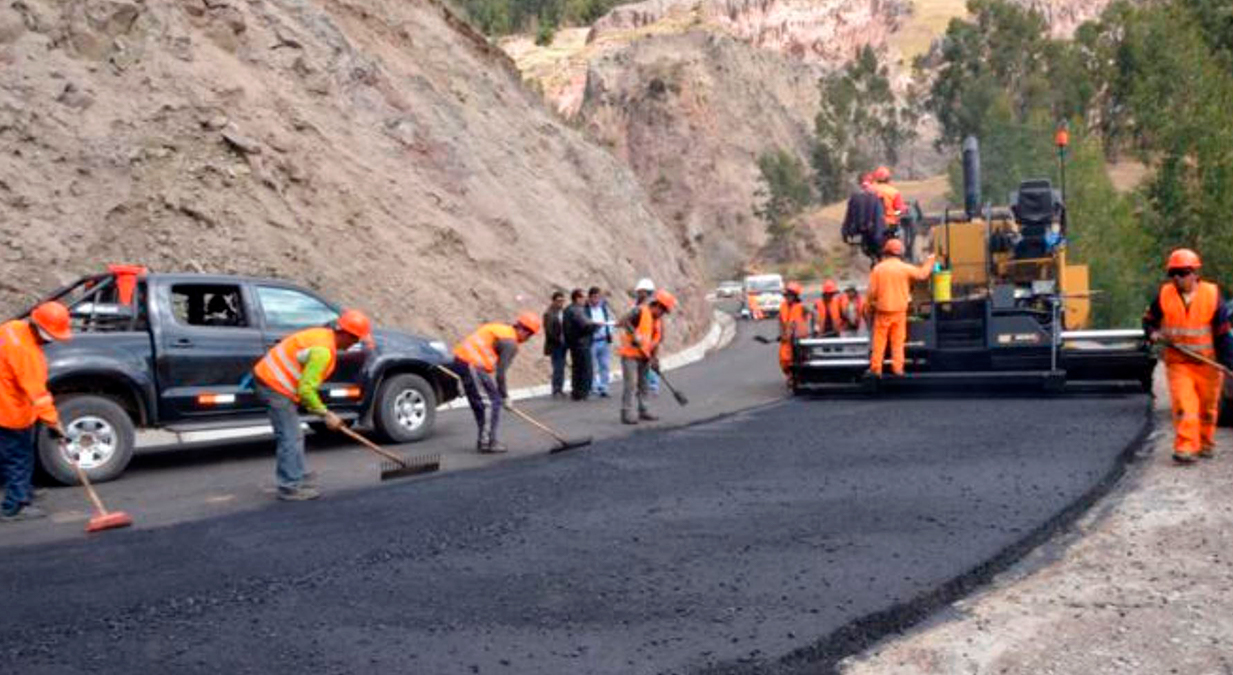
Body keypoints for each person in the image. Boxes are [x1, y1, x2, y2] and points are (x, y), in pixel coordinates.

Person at [253, 309, 374, 501]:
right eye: (354, 340)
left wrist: (319, 410)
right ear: (345, 334)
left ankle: (297, 474)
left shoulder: (324, 336)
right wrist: (326, 414)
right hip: (273, 385)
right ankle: (289, 486)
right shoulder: (323, 351)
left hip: (271, 379)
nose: (354, 344)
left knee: (294, 435)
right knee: (290, 436)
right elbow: (306, 391)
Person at [1143, 248, 1232, 463]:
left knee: (1207, 409)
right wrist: (1152, 332)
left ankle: (1205, 443)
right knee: (1186, 405)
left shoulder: (1212, 295)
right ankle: (1185, 447)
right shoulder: (1165, 295)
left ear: (1194, 273)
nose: (1176, 278)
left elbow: (1222, 333)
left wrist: (1228, 364)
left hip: (1208, 364)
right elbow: (1148, 320)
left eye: (1182, 273)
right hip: (1179, 362)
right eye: (1173, 273)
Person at [0, 302, 72, 521]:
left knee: (15, 454)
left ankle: (24, 490)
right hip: (9, 410)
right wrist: (54, 423)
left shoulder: (11, 328)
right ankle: (15, 506)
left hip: (6, 401)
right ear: (43, 331)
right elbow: (38, 395)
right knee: (17, 457)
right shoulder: (27, 353)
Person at [449, 313, 541, 453]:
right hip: (471, 366)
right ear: (524, 330)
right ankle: (487, 442)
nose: (527, 339)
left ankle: (486, 438)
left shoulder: (499, 329)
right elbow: (501, 374)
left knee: (489, 401)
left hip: (462, 362)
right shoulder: (510, 343)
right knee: (490, 403)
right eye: (529, 336)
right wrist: (505, 397)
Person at [866, 238, 936, 377]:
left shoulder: (878, 269)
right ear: (900, 253)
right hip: (899, 311)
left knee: (879, 342)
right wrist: (931, 260)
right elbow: (922, 275)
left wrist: (869, 309)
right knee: (898, 342)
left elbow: (871, 293)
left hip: (883, 311)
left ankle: (876, 369)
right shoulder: (904, 268)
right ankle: (898, 369)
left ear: (886, 252)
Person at [618, 289, 677, 424]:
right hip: (630, 355)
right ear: (656, 305)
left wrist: (654, 359)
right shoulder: (640, 311)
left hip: (645, 356)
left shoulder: (658, 321)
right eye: (662, 310)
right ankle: (626, 413)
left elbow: (656, 341)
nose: (662, 314)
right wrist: (634, 334)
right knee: (631, 384)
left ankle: (644, 410)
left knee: (644, 384)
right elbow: (623, 321)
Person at [841, 172, 887, 264]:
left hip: (858, 231)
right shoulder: (876, 197)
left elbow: (849, 216)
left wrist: (845, 232)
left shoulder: (854, 197)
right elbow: (879, 218)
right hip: (874, 233)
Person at [563, 288, 595, 400]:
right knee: (585, 368)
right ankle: (583, 392)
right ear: (577, 298)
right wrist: (595, 326)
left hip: (574, 343)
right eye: (583, 297)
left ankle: (576, 392)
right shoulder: (576, 310)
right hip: (581, 343)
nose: (585, 299)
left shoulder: (568, 310)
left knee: (577, 368)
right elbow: (585, 325)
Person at [778, 282, 812, 386]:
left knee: (800, 359)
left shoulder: (801, 307)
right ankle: (790, 375)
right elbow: (780, 321)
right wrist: (781, 334)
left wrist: (813, 329)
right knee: (784, 359)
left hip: (800, 339)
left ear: (795, 296)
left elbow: (812, 314)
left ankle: (797, 377)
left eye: (790, 295)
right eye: (786, 295)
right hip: (787, 339)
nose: (788, 297)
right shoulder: (783, 306)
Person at [633, 278, 661, 395]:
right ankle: (643, 386)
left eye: (641, 292)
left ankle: (653, 385)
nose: (638, 294)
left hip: (650, 339)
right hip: (641, 339)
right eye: (638, 292)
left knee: (651, 361)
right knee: (641, 364)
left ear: (646, 292)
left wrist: (653, 342)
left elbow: (656, 326)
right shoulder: (638, 305)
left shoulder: (652, 305)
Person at [587, 287, 616, 398]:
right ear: (590, 298)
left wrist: (609, 331)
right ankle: (594, 387)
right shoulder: (586, 309)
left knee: (604, 365)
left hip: (604, 340)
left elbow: (609, 320)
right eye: (594, 297)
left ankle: (604, 387)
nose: (596, 300)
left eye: (598, 297)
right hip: (592, 340)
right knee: (592, 365)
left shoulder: (603, 308)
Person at [542, 291, 568, 398]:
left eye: (562, 301)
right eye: (558, 301)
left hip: (564, 343)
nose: (560, 303)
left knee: (561, 367)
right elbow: (549, 331)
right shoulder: (549, 313)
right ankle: (556, 389)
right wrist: (558, 340)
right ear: (553, 301)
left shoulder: (563, 312)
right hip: (555, 344)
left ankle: (560, 388)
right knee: (557, 367)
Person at [869, 165, 905, 239]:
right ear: (888, 178)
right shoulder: (894, 192)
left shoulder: (869, 191)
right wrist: (896, 214)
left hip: (871, 224)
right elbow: (900, 210)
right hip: (889, 224)